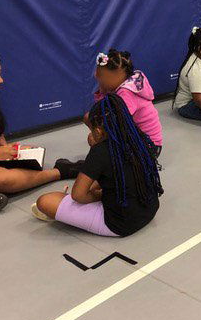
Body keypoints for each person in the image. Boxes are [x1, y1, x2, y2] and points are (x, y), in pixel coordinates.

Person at [0, 48, 76, 214]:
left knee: (31, 155)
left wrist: (8, 152)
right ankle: (59, 172)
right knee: (1, 178)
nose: (1, 80)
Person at [32, 94, 163, 237]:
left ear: (98, 131)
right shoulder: (138, 139)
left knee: (45, 201)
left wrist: (97, 196)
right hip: (149, 210)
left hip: (119, 225)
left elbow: (78, 195)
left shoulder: (100, 151)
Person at [90, 49, 162, 153]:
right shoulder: (120, 85)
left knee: (97, 143)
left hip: (148, 147)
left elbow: (116, 122)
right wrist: (102, 92)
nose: (96, 77)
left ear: (115, 76)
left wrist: (99, 136)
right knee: (94, 131)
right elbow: (102, 110)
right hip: (143, 141)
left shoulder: (126, 92)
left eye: (102, 77)